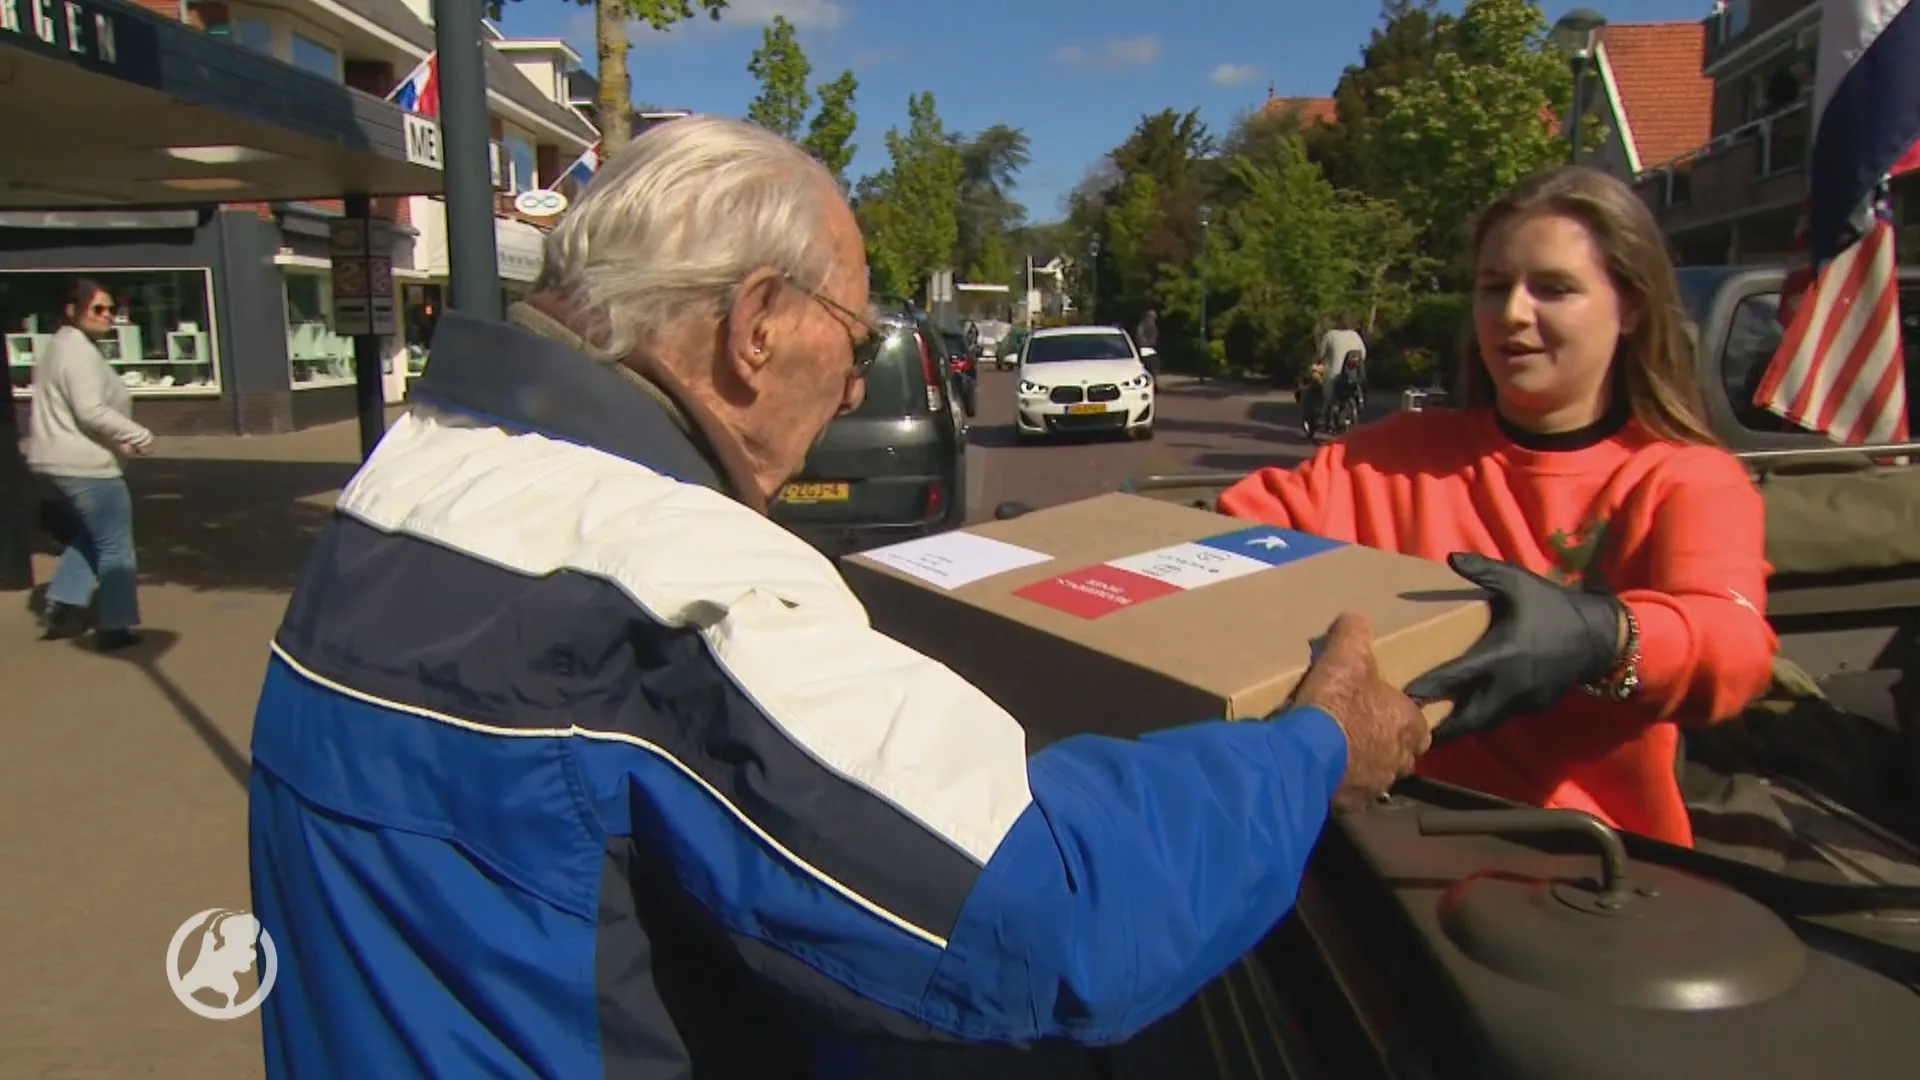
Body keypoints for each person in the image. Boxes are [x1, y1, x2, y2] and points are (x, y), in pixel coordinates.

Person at [247, 116, 1433, 1079]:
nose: (858, 376)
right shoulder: (662, 574)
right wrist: (1315, 747)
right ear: (756, 325)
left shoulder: (407, 478)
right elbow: (1048, 916)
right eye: (856, 339)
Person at [1218, 166, 1777, 848]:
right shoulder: (1389, 456)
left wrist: (1609, 637)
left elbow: (1734, 645)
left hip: (1586, 866)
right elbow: (1228, 532)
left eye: (1553, 288)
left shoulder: (1683, 478)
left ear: (1630, 306)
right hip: (1385, 845)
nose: (1513, 313)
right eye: (1494, 288)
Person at [27, 278, 153, 650]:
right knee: (116, 545)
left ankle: (63, 609)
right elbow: (90, 410)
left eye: (111, 309)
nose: (107, 316)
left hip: (60, 461)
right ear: (71, 310)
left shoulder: (58, 347)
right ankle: (115, 625)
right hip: (87, 467)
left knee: (92, 537)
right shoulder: (78, 351)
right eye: (98, 308)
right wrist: (137, 434)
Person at [1135, 306, 1160, 378]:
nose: (1155, 317)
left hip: (1151, 350)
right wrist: (1148, 343)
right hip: (1145, 350)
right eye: (1152, 315)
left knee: (1153, 370)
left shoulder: (1153, 325)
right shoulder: (1143, 325)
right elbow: (1140, 337)